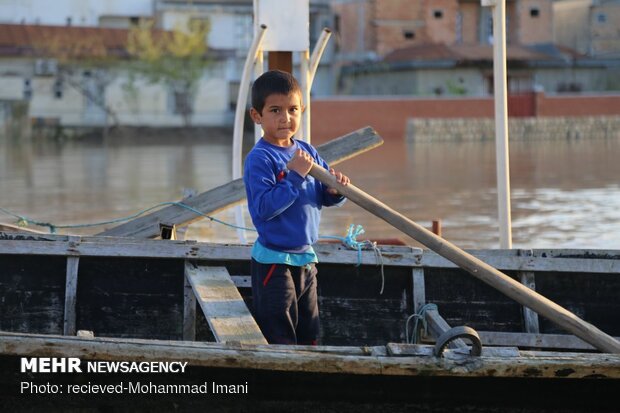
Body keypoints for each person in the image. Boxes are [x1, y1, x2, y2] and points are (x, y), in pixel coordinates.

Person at [243, 70, 350, 345]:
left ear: (302, 110)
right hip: (273, 261)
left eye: (293, 110)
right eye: (275, 110)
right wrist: (294, 176)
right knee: (280, 334)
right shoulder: (260, 158)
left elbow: (321, 196)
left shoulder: (306, 152)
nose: (285, 118)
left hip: (306, 259)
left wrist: (334, 191)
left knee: (310, 332)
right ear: (257, 116)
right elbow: (264, 209)